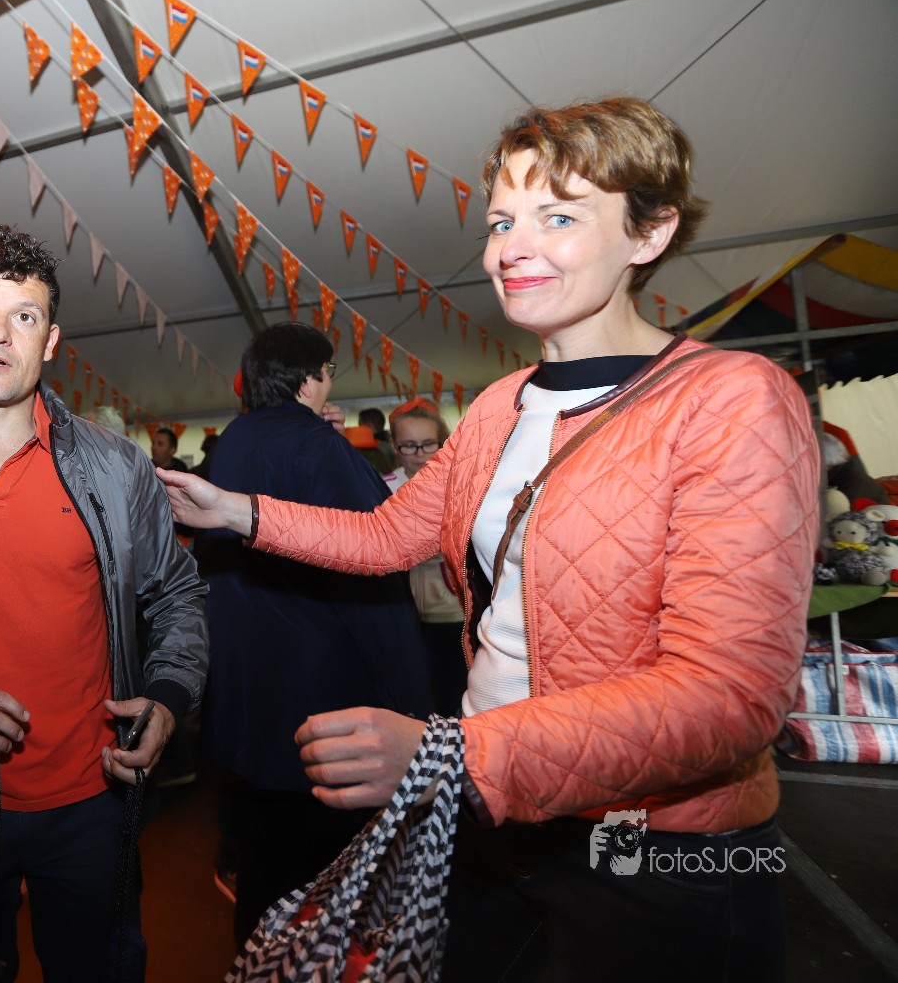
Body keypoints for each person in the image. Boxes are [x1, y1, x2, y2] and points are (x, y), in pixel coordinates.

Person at [160, 98, 819, 981]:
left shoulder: (730, 398)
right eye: (503, 221)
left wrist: (450, 756)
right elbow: (388, 534)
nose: (514, 247)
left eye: (559, 217)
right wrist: (234, 510)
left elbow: (730, 698)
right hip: (496, 821)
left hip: (650, 843)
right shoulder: (500, 406)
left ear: (650, 233)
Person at [0, 223, 208, 983]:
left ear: (50, 341)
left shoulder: (116, 468)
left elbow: (177, 592)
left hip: (92, 803)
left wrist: (167, 697)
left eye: (23, 316)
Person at [195, 322, 430, 943]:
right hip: (326, 697)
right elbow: (375, 569)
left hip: (252, 691)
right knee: (338, 891)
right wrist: (410, 700)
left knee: (266, 889)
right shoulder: (320, 447)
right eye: (327, 373)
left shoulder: (233, 442)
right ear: (309, 378)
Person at [380, 399, 469, 714]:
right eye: (409, 446)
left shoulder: (459, 482)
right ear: (394, 445)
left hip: (450, 606)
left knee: (453, 683)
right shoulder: (382, 487)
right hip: (400, 605)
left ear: (442, 441)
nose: (419, 454)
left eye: (428, 444)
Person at [357, 406, 398, 474]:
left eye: (360, 426)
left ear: (369, 426)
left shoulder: (370, 449)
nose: (359, 430)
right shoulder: (393, 444)